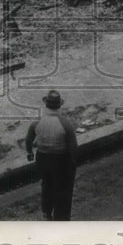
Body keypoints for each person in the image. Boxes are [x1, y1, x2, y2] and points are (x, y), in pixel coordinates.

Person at [25, 89, 78, 220]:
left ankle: (47, 212)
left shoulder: (36, 123)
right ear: (59, 106)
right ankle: (61, 216)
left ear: (46, 105)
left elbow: (28, 140)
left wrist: (30, 153)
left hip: (42, 158)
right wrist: (73, 161)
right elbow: (73, 146)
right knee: (62, 187)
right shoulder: (66, 124)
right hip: (60, 159)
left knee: (46, 185)